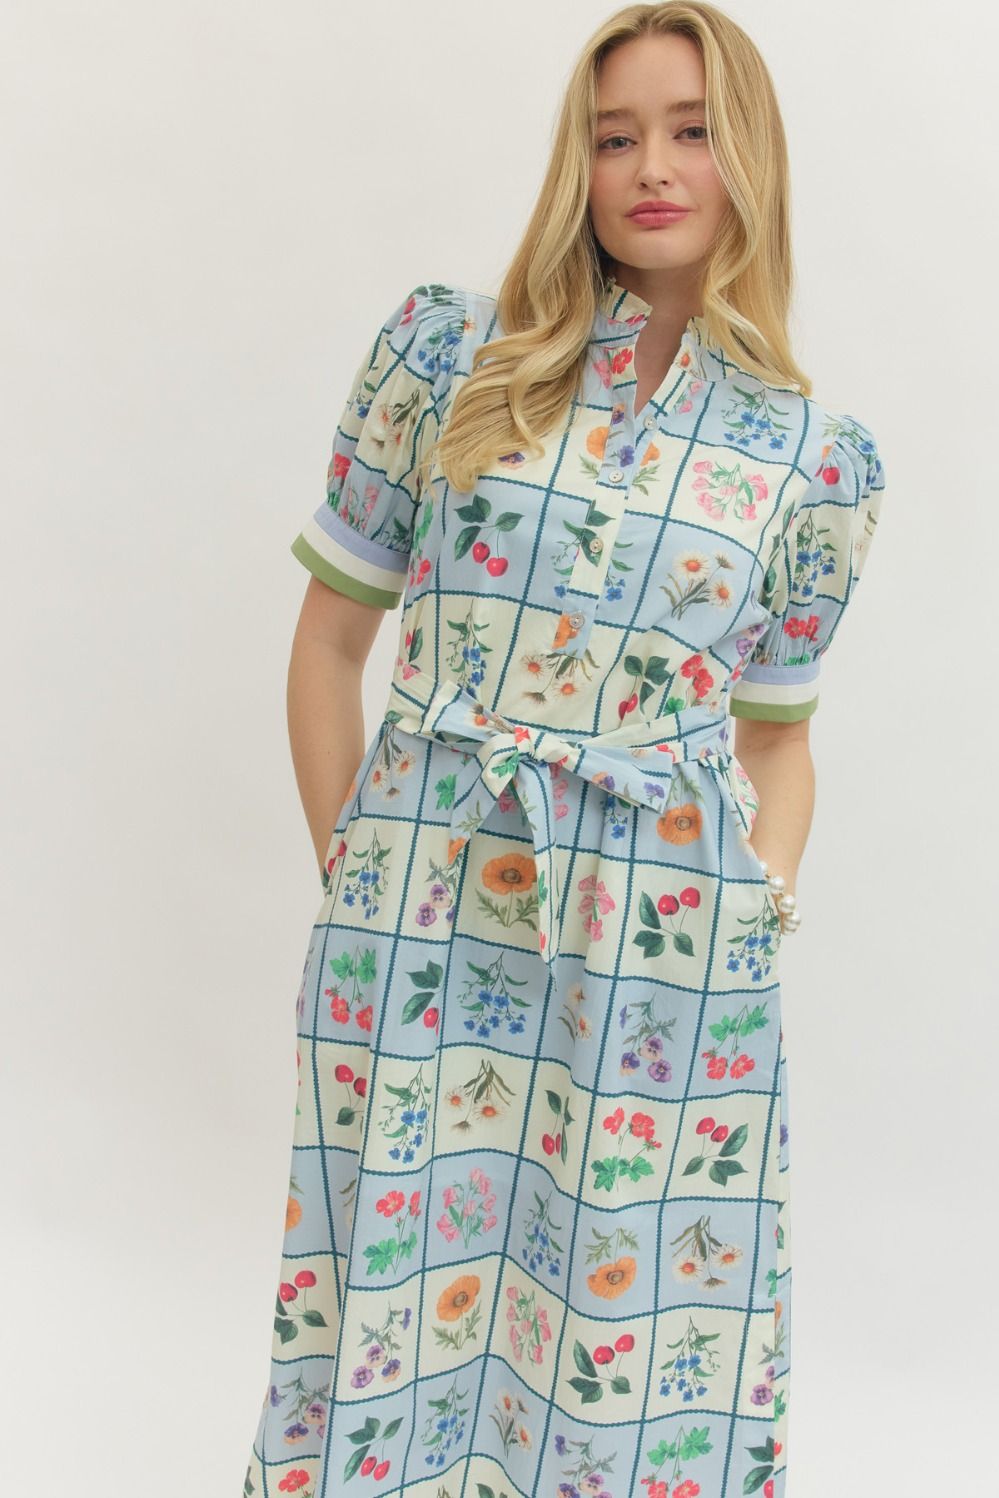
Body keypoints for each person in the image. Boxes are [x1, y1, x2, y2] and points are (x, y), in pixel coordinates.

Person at [243, 4, 885, 1495]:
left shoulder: (811, 459)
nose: (651, 167)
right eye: (614, 136)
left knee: (631, 1341)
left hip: (665, 964)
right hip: (424, 928)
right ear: (575, 163)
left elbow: (780, 738)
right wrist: (360, 880)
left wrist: (762, 905)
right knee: (398, 1305)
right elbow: (328, 646)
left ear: (750, 158)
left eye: (691, 131)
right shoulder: (446, 354)